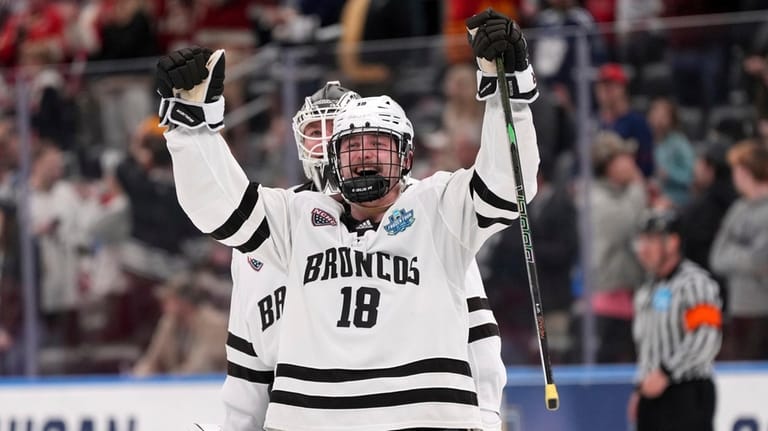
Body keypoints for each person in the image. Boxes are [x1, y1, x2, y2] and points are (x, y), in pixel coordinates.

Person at [158, 7, 539, 430]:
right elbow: (219, 207)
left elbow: (507, 187)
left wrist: (509, 92)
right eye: (351, 147)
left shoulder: (440, 208)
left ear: (406, 157)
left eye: (379, 144)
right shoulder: (296, 219)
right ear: (332, 161)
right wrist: (190, 127)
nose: (364, 157)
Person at [221, 81, 507, 430]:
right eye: (315, 131)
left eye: (335, 129)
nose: (324, 141)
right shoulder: (270, 222)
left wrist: (487, 414)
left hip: (408, 411)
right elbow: (248, 361)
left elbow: (476, 334)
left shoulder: (431, 210)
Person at [627, 208, 722, 431]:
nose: (643, 249)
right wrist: (641, 389)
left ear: (672, 242)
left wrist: (666, 373)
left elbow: (705, 338)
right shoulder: (647, 289)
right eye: (641, 241)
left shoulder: (695, 284)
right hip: (653, 398)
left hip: (686, 394)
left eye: (651, 240)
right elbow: (648, 348)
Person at [709, 140, 768, 360]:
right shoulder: (738, 209)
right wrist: (747, 254)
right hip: (739, 308)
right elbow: (717, 256)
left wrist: (737, 252)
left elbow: (760, 260)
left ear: (745, 171)